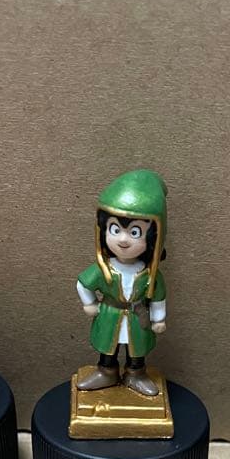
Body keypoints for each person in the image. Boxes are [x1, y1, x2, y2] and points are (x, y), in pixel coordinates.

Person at [75, 169, 168, 398]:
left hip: (138, 317)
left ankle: (136, 374)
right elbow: (83, 284)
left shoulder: (149, 275)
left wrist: (159, 318)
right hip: (110, 315)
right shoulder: (104, 269)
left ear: (153, 237)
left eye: (135, 232)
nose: (123, 240)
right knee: (109, 346)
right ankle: (106, 371)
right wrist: (89, 304)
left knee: (137, 350)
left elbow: (158, 297)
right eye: (115, 229)